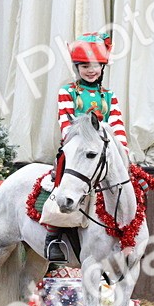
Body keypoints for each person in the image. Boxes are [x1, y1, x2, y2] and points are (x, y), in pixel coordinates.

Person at [43, 32, 130, 264]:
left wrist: (123, 152)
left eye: (95, 66)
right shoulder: (67, 93)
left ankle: (128, 234)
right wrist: (81, 146)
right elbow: (66, 126)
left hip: (104, 153)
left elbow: (117, 126)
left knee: (131, 185)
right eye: (84, 66)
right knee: (59, 183)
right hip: (77, 151)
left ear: (102, 67)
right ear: (77, 67)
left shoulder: (109, 96)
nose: (91, 70)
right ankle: (53, 235)